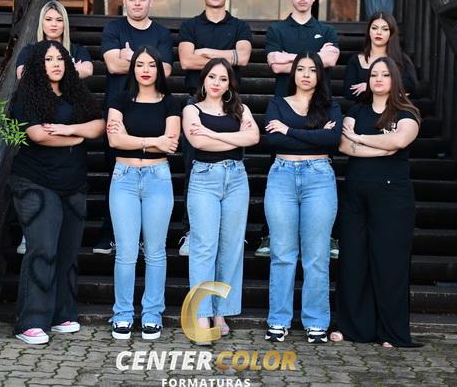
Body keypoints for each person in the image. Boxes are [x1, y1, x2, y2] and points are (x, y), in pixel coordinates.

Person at [9, 40, 105, 345]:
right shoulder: (27, 95)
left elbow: (98, 126)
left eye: (60, 58)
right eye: (49, 59)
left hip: (73, 183)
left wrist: (67, 130)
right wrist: (77, 138)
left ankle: (62, 314)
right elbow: (38, 135)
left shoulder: (77, 94)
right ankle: (30, 322)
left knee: (67, 251)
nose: (55, 64)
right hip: (35, 182)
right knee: (43, 249)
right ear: (38, 65)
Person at [331, 56, 422, 348]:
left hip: (393, 197)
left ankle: (391, 332)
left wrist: (360, 138)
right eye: (374, 75)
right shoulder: (356, 110)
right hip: (355, 194)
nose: (378, 79)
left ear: (395, 79)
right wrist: (378, 145)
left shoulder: (406, 113)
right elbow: (344, 145)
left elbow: (398, 142)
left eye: (385, 74)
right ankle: (353, 328)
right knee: (353, 260)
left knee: (389, 264)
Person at [259, 0, 340, 258]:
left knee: (322, 158)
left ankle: (326, 235)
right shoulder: (277, 30)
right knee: (279, 163)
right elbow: (275, 65)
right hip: (285, 104)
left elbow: (331, 59)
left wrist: (289, 58)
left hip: (318, 103)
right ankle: (271, 233)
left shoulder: (326, 31)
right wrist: (314, 57)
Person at [263, 52, 341, 344]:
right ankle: (278, 320)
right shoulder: (277, 104)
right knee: (282, 253)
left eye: (312, 70)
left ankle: (316, 321)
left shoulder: (330, 106)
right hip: (281, 176)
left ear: (320, 75)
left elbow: (332, 141)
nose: (306, 75)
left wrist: (289, 130)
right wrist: (313, 134)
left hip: (319, 178)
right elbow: (273, 140)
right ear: (293, 73)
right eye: (301, 69)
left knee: (317, 255)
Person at [106, 46, 181, 340]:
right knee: (126, 252)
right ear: (133, 69)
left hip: (157, 178)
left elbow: (170, 143)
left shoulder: (170, 103)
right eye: (140, 64)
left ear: (159, 70)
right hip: (123, 178)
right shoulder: (120, 99)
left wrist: (134, 139)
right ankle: (122, 314)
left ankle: (152, 314)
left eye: (151, 65)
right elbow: (115, 140)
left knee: (155, 251)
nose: (146, 70)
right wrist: (153, 141)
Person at [95, 0, 174, 255]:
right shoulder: (114, 28)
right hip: (119, 108)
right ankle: (110, 235)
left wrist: (129, 57)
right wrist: (145, 62)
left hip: (153, 111)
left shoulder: (161, 33)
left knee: (151, 175)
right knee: (115, 174)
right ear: (124, 1)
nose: (137, 3)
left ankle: (144, 239)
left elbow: (166, 71)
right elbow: (111, 64)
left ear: (150, 1)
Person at [177, 0, 253, 256]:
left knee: (233, 159)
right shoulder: (190, 25)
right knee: (193, 166)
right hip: (196, 101)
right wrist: (226, 55)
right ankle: (191, 231)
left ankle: (231, 233)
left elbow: (243, 57)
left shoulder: (240, 26)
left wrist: (207, 52)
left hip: (230, 103)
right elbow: (186, 60)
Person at [183, 58, 259, 339]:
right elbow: (199, 143)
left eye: (223, 78)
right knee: (204, 247)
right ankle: (201, 316)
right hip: (205, 178)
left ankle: (221, 312)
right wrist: (234, 136)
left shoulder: (241, 108)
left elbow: (253, 138)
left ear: (230, 84)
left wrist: (212, 132)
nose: (217, 83)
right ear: (203, 80)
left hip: (236, 178)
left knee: (231, 248)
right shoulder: (191, 109)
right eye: (212, 77)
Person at [15, 0, 93, 255]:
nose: (54, 24)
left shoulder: (77, 49)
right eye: (49, 19)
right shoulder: (30, 50)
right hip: (39, 116)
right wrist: (76, 138)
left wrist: (60, 73)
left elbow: (88, 69)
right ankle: (30, 234)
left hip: (71, 115)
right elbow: (22, 74)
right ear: (41, 23)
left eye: (59, 20)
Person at [343, 12, 415, 101]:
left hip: (394, 108)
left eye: (385, 29)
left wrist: (369, 87)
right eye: (374, 28)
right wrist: (392, 91)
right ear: (369, 31)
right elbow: (349, 93)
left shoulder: (402, 59)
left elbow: (410, 88)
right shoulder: (355, 60)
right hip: (365, 108)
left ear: (391, 33)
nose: (379, 32)